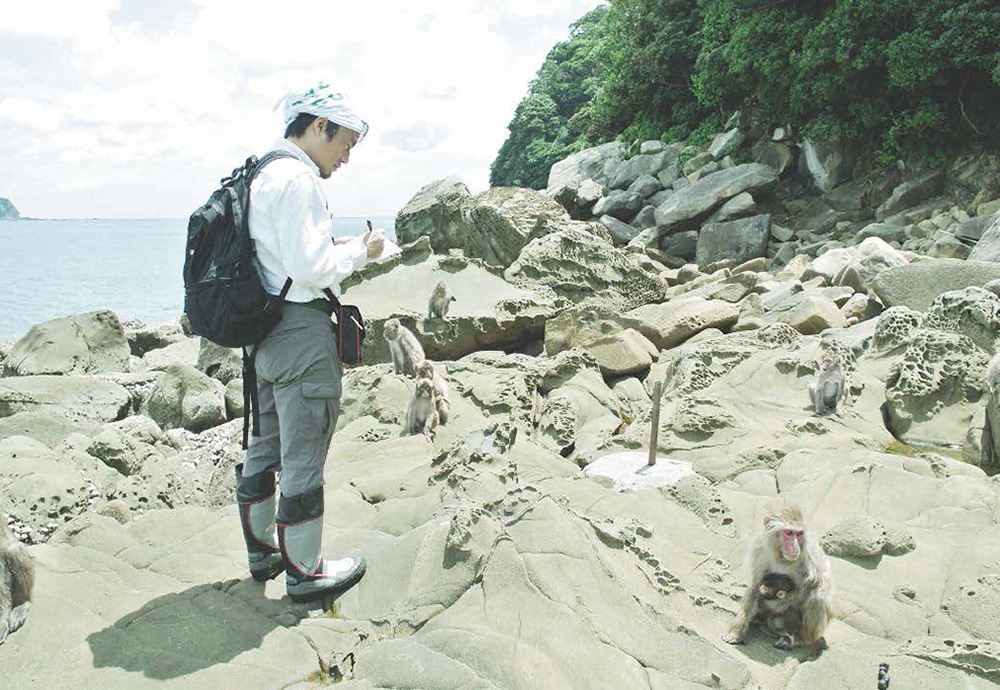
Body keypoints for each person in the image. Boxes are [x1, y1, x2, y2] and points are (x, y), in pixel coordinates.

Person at [234, 82, 384, 603]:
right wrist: (362, 253)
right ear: (319, 125)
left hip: (265, 335)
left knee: (265, 445)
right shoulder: (298, 179)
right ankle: (305, 572)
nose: (345, 157)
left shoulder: (261, 173)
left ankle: (263, 554)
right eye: (345, 142)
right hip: (301, 334)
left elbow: (283, 258)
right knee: (303, 454)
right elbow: (308, 266)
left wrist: (335, 249)